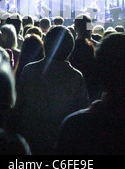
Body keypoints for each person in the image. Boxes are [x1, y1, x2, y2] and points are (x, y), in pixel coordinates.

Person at [5, 26, 89, 155]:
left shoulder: (29, 70)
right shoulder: (76, 77)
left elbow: (17, 105)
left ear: (45, 45)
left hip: (30, 140)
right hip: (61, 143)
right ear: (70, 49)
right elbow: (81, 112)